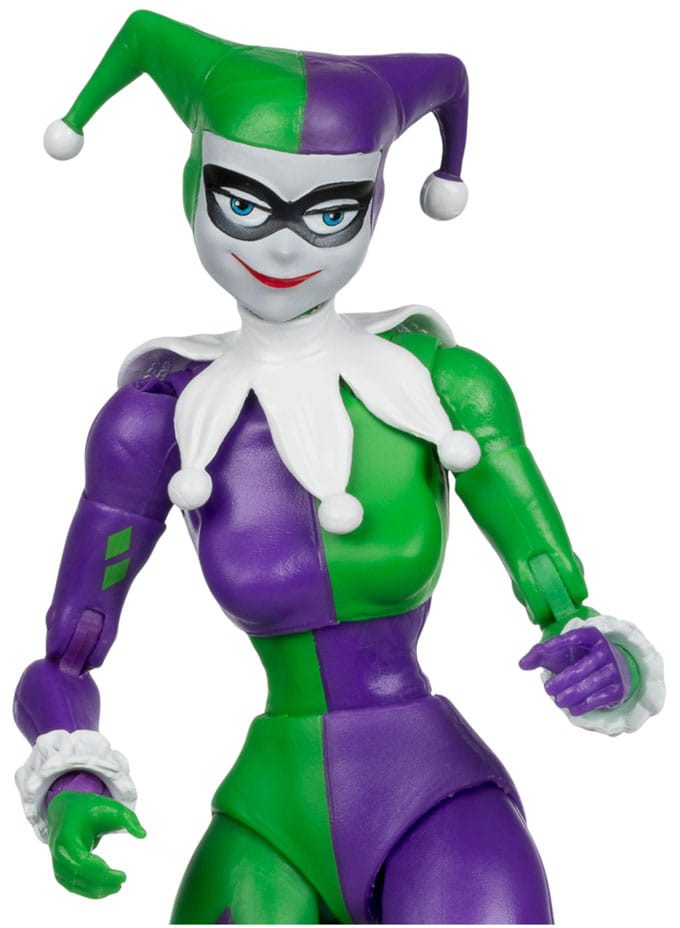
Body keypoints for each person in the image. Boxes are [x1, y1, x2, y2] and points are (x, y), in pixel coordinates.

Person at [13, 10, 665, 924]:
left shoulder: (440, 386)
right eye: (245, 204)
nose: (284, 247)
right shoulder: (157, 421)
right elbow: (65, 659)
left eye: (330, 214)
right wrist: (70, 774)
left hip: (435, 796)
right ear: (194, 187)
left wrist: (608, 661)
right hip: (269, 815)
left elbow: (567, 602)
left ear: (374, 209)